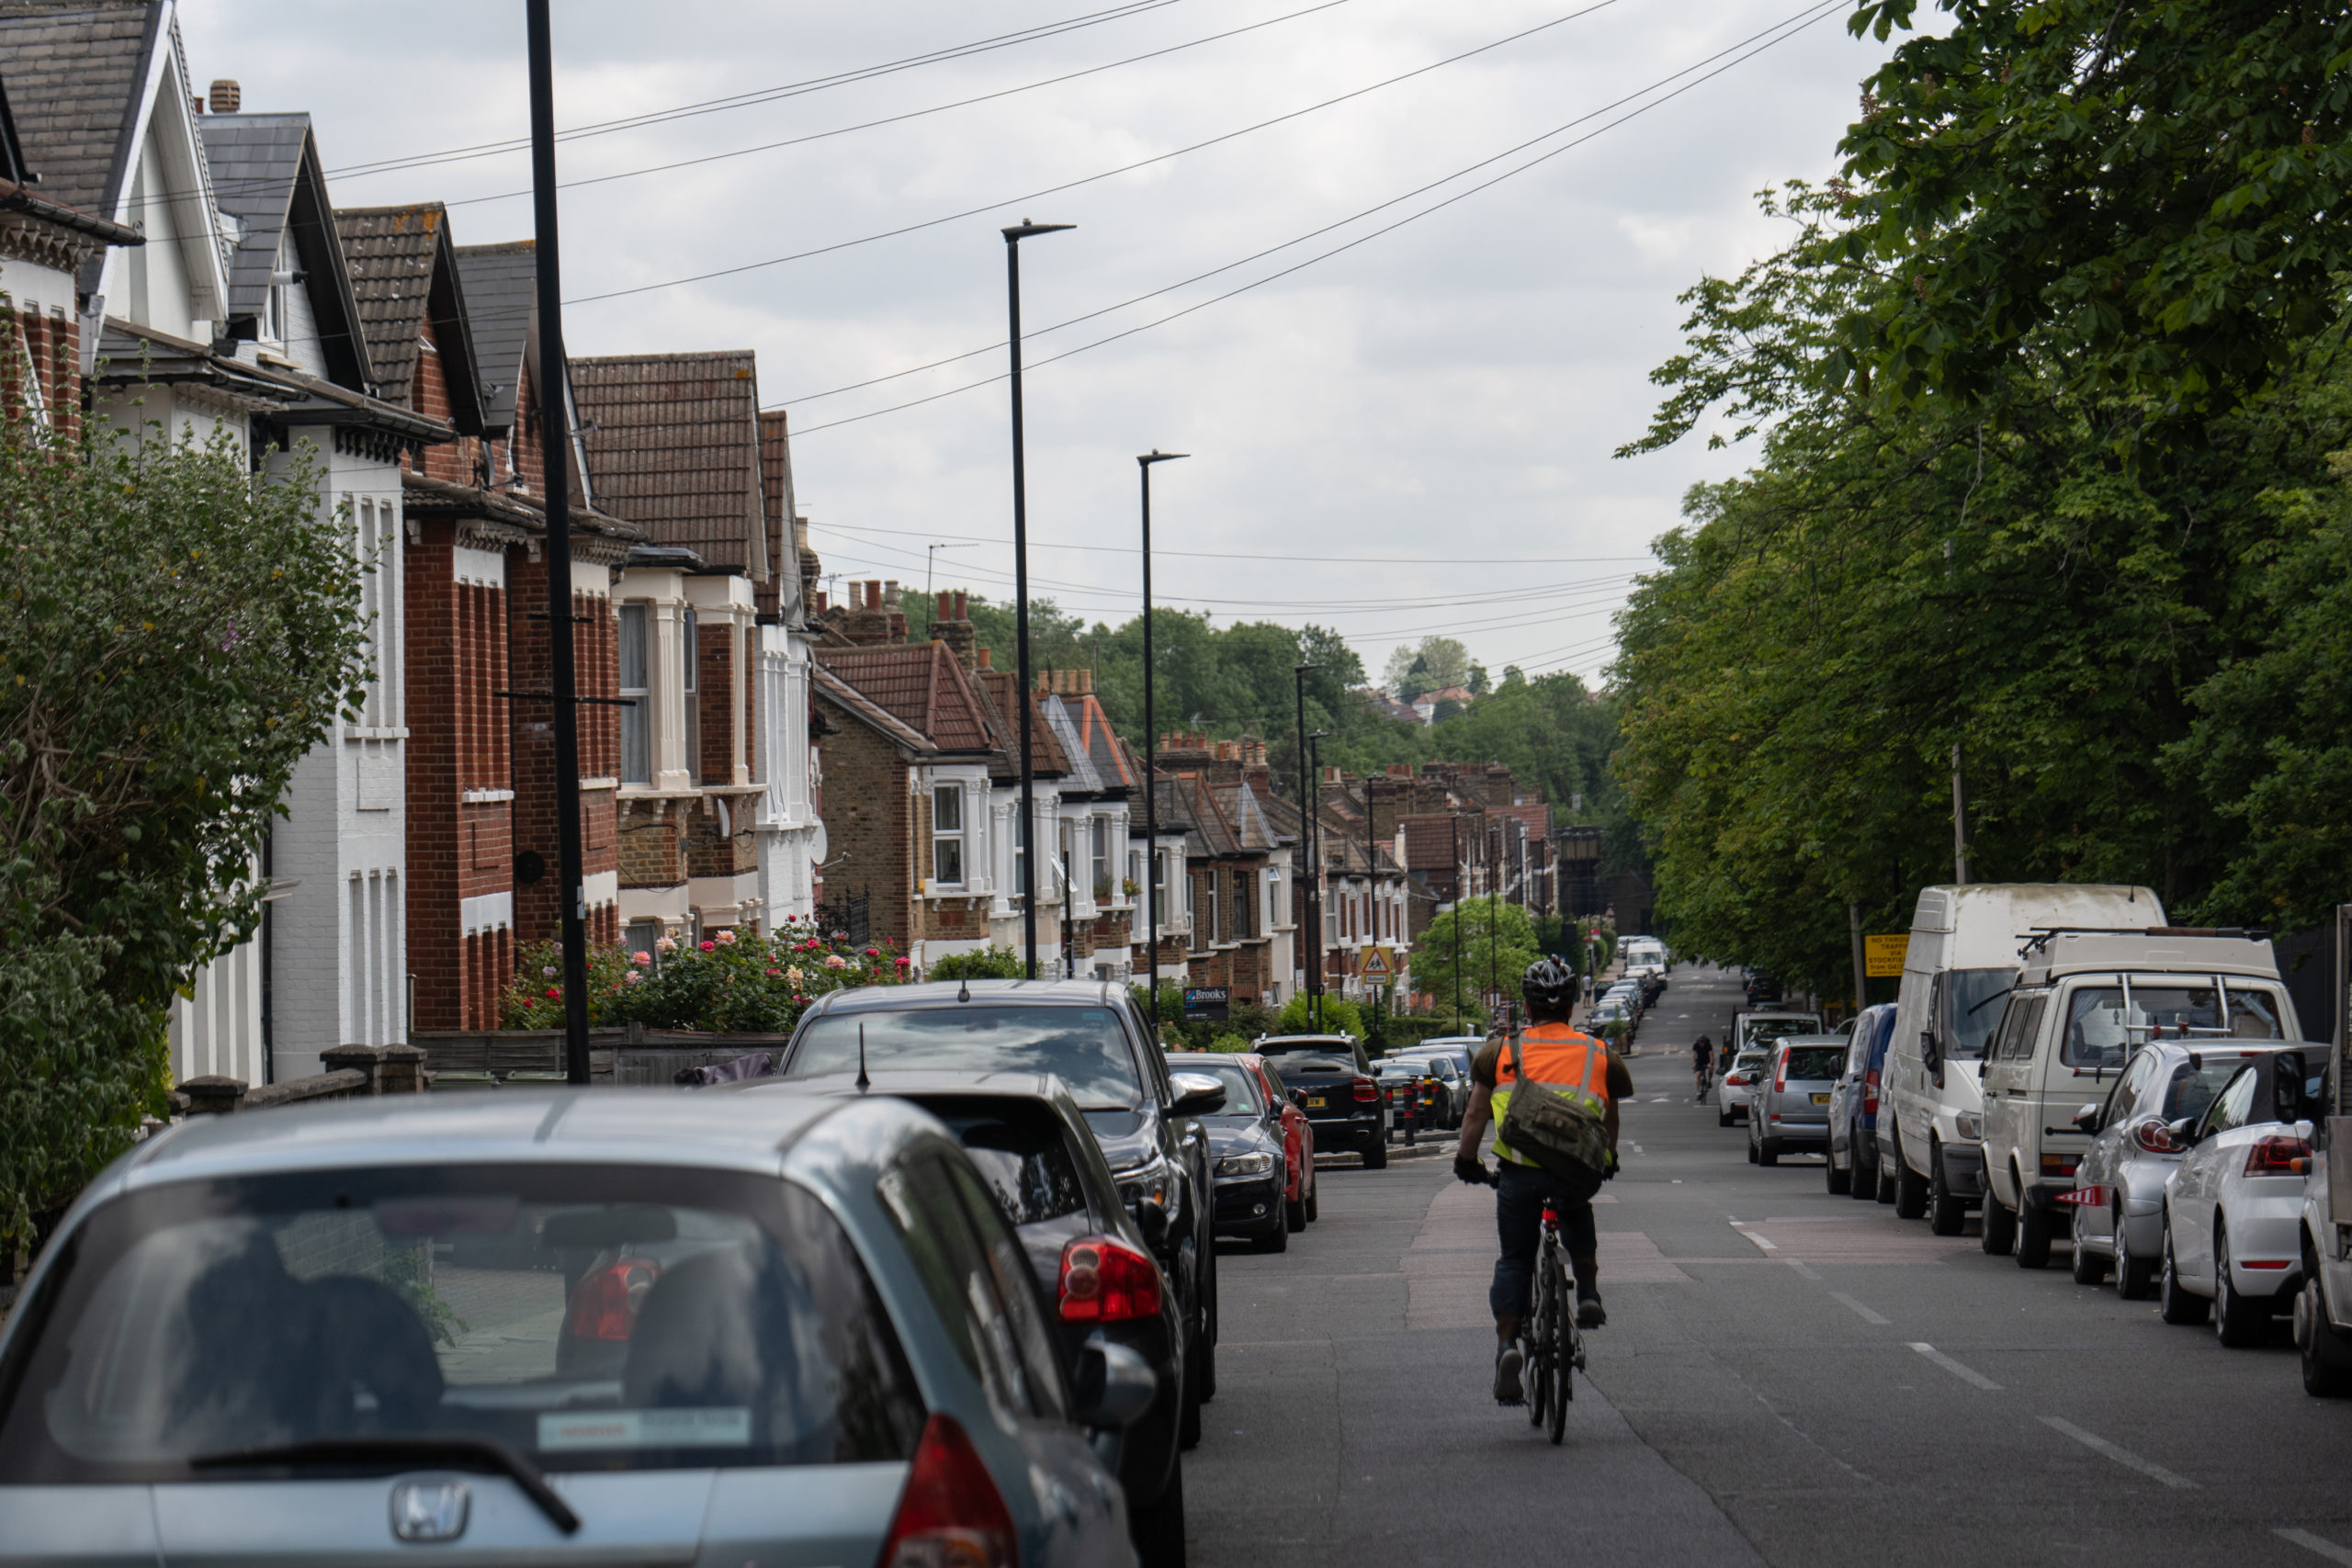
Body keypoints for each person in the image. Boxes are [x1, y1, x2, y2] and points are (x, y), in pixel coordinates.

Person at [1453, 957, 1634, 1405]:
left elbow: (1475, 1114)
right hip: (1573, 1171)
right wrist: (1606, 1159)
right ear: (1572, 1005)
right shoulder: (1600, 1054)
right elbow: (1610, 1116)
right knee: (1576, 1207)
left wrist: (1467, 1161)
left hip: (1518, 1173)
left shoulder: (1499, 1052)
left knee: (1514, 1259)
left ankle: (1508, 1346)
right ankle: (1588, 1293)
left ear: (1526, 1008)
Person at [1690, 1034, 1715, 1100]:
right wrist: (1694, 1063)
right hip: (1699, 1061)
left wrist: (1711, 1063)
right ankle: (1698, 1092)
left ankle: (1709, 1081)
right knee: (1698, 1075)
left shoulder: (1708, 1046)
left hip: (1707, 1061)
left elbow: (1711, 1055)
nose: (1701, 1043)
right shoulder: (1696, 1045)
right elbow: (1693, 1055)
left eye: (1702, 1042)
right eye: (1699, 1042)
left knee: (1711, 1069)